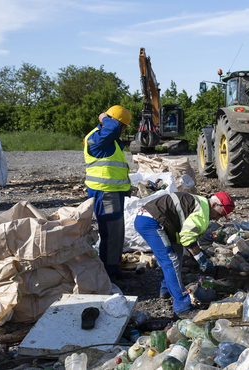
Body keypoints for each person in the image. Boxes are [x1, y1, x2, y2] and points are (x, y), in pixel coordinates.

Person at [134, 191, 235, 316]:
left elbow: (185, 237)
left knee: (176, 256)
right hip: (151, 221)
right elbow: (187, 238)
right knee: (171, 261)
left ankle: (165, 292)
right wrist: (202, 260)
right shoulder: (203, 212)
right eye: (220, 214)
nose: (217, 218)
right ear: (214, 205)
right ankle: (183, 306)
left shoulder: (198, 202)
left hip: (155, 220)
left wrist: (197, 254)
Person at [84, 105, 132, 281]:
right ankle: (108, 274)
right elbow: (111, 128)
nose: (123, 131)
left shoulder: (108, 140)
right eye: (123, 127)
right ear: (117, 124)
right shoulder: (99, 137)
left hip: (113, 193)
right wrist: (105, 117)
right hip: (105, 193)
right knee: (111, 234)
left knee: (117, 233)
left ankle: (114, 267)